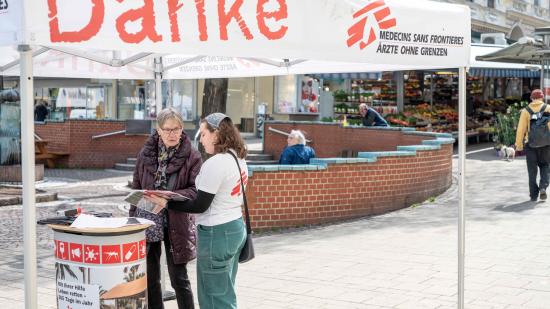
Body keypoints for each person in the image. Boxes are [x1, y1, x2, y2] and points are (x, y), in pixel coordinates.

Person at [144, 113, 248, 309]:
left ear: (216, 134)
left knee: (213, 297)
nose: (200, 139)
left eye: (204, 134)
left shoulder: (215, 163)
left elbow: (200, 205)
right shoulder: (238, 158)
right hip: (234, 226)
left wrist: (166, 203)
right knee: (224, 290)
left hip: (217, 233)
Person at [130, 107, 202, 309]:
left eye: (176, 129)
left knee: (179, 278)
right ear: (158, 130)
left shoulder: (193, 156)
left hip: (176, 220)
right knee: (150, 278)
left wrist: (171, 198)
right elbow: (136, 188)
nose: (172, 134)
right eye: (167, 129)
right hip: (147, 218)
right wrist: (132, 218)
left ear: (182, 129)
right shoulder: (145, 154)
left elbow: (196, 191)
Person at [515, 89, 550, 202]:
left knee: (532, 171)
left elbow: (521, 130)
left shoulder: (526, 111)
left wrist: (519, 145)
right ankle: (543, 187)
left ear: (531, 98)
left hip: (530, 145)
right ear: (542, 98)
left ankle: (533, 195)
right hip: (546, 144)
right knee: (545, 166)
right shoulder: (548, 108)